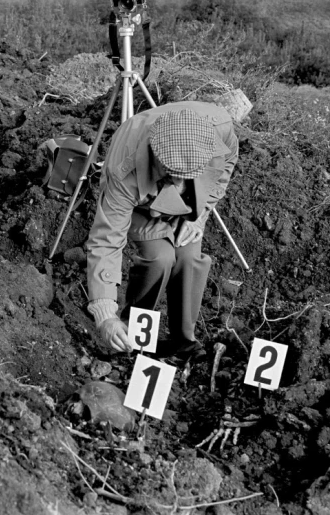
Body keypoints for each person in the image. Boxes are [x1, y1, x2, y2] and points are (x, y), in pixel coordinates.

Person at [85, 102, 239, 360]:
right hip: (141, 206)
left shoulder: (219, 129)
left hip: (191, 203)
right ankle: (132, 340)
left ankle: (184, 342)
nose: (177, 183)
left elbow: (226, 165)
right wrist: (104, 314)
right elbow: (106, 241)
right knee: (159, 259)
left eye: (184, 178)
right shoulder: (124, 169)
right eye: (170, 176)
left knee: (190, 258)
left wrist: (201, 214)